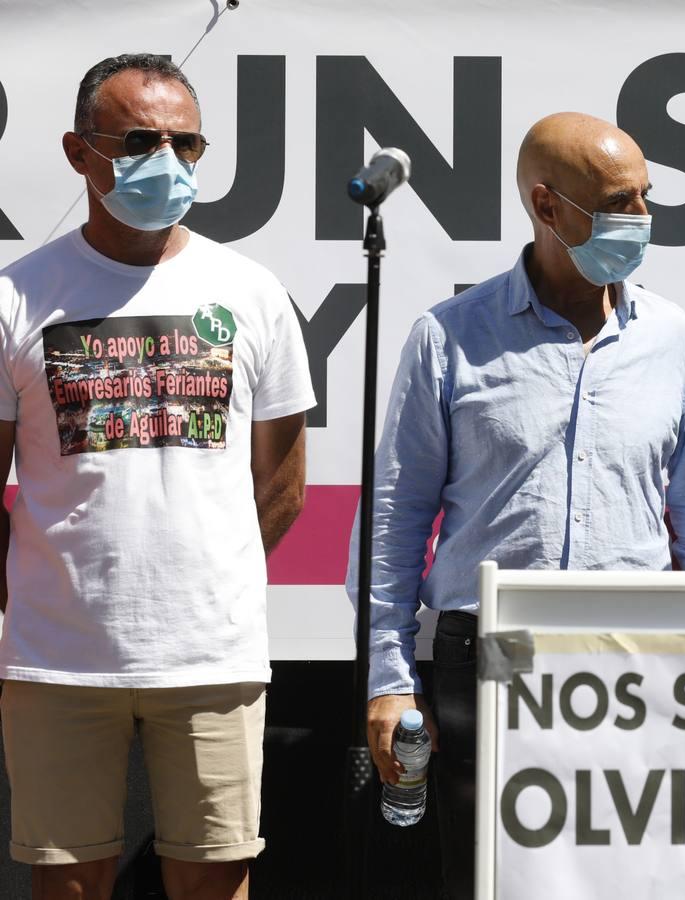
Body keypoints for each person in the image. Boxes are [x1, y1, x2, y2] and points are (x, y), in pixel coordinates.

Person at [351, 111, 685, 898]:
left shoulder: (671, 337)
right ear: (547, 206)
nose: (641, 221)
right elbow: (394, 522)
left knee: (633, 881)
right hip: (493, 665)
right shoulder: (451, 336)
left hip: (637, 668)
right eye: (619, 202)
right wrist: (389, 678)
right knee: (492, 880)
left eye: (646, 198)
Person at [0, 54, 314, 900]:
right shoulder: (17, 299)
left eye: (187, 143)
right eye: (140, 141)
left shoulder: (250, 292)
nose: (166, 163)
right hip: (59, 659)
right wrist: (38, 594)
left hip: (212, 651)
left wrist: (210, 573)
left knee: (216, 880)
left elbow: (282, 481)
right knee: (68, 885)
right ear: (78, 151)